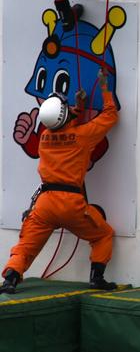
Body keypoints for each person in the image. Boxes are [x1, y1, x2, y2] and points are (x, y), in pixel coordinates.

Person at [0, 68, 118, 293]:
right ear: (65, 113)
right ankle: (97, 278)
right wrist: (104, 89)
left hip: (45, 204)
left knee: (26, 246)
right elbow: (110, 116)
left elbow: (63, 127)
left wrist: (79, 107)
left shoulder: (44, 137)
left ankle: (11, 280)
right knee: (103, 234)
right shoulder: (83, 136)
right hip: (71, 204)